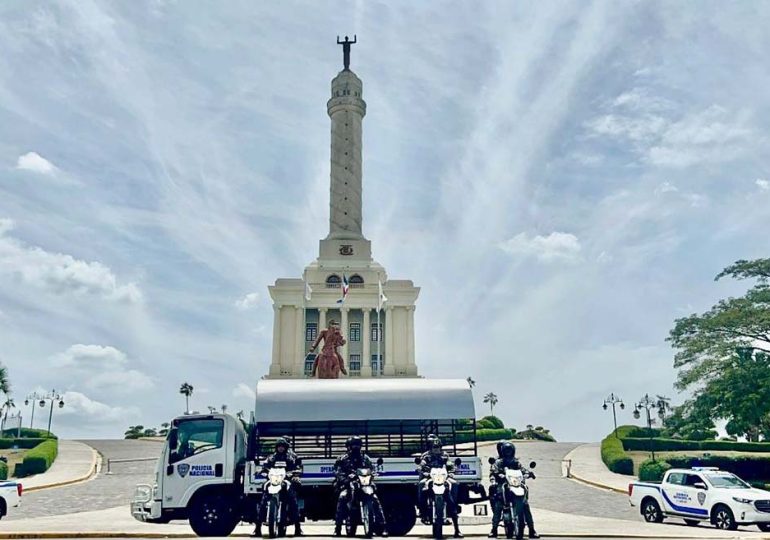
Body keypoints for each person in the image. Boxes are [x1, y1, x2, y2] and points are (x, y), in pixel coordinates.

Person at [333, 436, 388, 537]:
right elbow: (337, 471)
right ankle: (338, 527)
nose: (355, 448)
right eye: (353, 446)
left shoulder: (365, 458)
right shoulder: (342, 459)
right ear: (348, 447)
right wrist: (345, 477)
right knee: (342, 497)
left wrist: (373, 473)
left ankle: (383, 526)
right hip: (349, 484)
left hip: (365, 483)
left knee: (375, 499)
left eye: (357, 446)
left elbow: (371, 468)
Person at [253, 437, 304, 537]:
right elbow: (265, 466)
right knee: (263, 501)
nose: (281, 448)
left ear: (286, 447)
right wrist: (262, 471)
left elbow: (297, 467)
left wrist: (294, 473)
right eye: (279, 446)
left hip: (285, 482)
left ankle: (298, 528)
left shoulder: (291, 458)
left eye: (282, 446)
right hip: (272, 482)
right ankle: (257, 528)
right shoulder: (271, 457)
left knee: (293, 501)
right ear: (276, 447)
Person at [488, 442, 538, 539]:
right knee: (498, 505)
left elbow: (523, 469)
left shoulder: (516, 462)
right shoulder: (499, 462)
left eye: (509, 451)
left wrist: (528, 473)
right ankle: (494, 529)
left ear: (513, 451)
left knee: (525, 505)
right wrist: (497, 474)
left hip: (516, 485)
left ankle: (532, 530)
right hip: (503, 485)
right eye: (506, 451)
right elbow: (494, 470)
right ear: (503, 451)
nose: (508, 453)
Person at [418, 437, 463, 538]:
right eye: (434, 447)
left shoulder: (445, 455)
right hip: (430, 477)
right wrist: (423, 471)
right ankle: (422, 508)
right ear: (430, 447)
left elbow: (450, 465)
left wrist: (451, 472)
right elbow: (421, 466)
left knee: (455, 484)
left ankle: (457, 529)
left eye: (438, 447)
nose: (436, 449)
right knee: (421, 484)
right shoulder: (426, 456)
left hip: (443, 478)